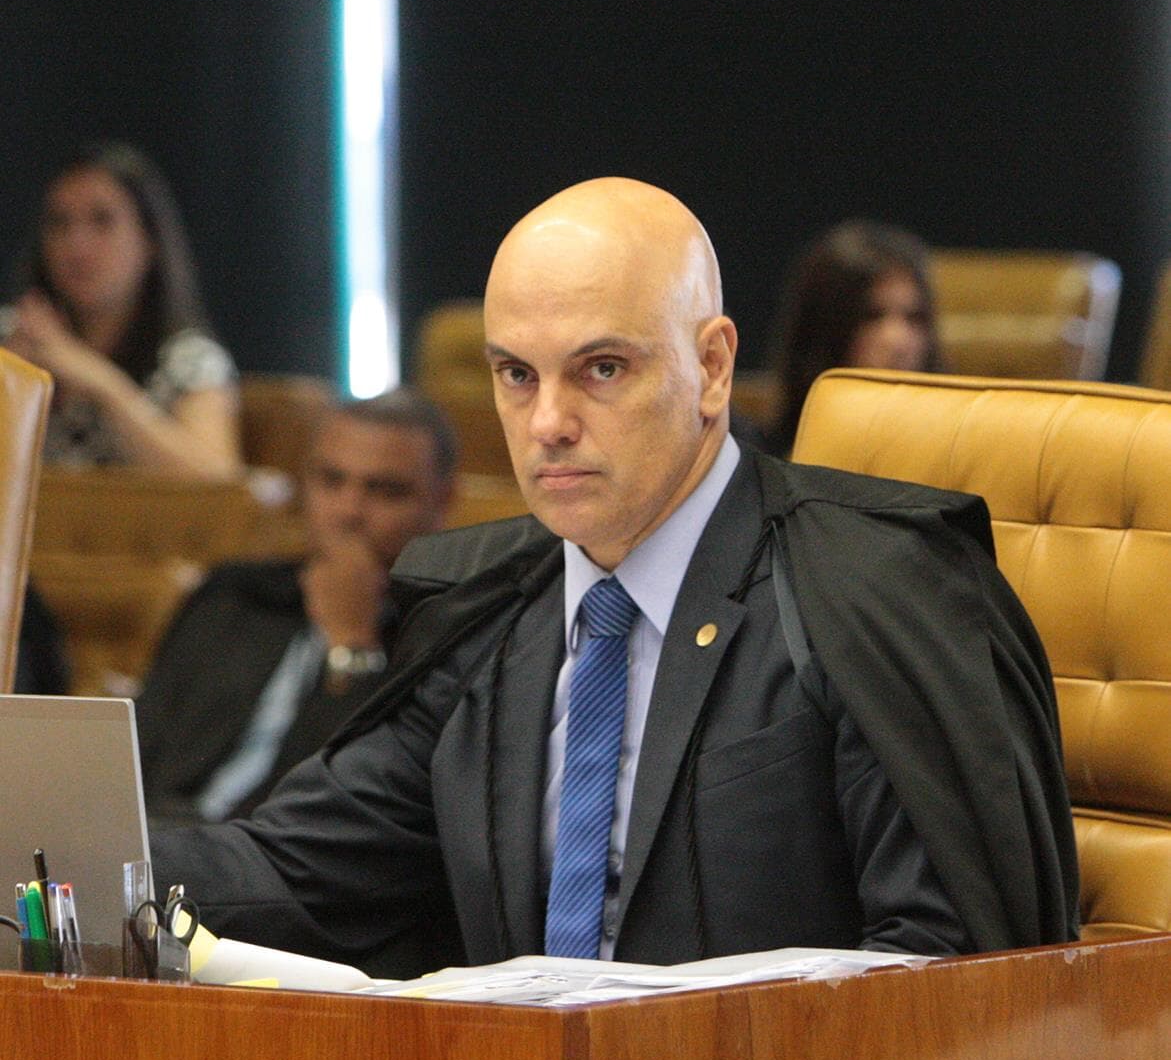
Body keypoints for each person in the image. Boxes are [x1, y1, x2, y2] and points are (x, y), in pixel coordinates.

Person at [152, 178, 1078, 979]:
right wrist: (87, 865)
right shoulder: (485, 616)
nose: (547, 423)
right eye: (517, 375)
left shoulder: (873, 591)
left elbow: (951, 972)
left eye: (600, 369)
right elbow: (293, 870)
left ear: (710, 367)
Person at [135, 388, 457, 826]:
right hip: (165, 841)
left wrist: (352, 644)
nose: (348, 511)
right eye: (331, 481)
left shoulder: (450, 634)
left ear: (442, 502)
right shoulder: (235, 592)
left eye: (385, 491)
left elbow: (359, 807)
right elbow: (140, 748)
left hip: (289, 856)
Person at [5, 141, 241, 479]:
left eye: (102, 221)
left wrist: (101, 382)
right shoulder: (12, 338)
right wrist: (9, 385)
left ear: (150, 240)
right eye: (60, 223)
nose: (77, 245)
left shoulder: (189, 360)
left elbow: (218, 485)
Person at [766, 220, 942, 456]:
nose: (897, 340)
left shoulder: (956, 448)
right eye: (872, 317)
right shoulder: (767, 459)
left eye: (914, 317)